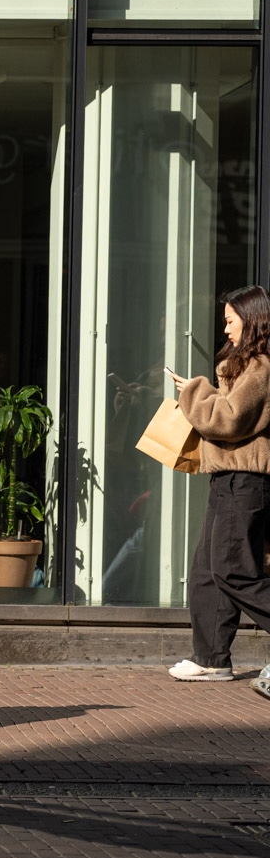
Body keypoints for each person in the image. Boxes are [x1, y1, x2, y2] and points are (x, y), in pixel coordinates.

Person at [166, 285, 270, 688]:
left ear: (251, 318)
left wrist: (193, 390)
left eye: (230, 320)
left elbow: (228, 419)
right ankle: (211, 658)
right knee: (208, 569)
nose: (225, 328)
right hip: (229, 477)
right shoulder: (247, 365)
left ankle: (211, 658)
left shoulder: (261, 366)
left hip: (246, 479)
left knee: (233, 570)